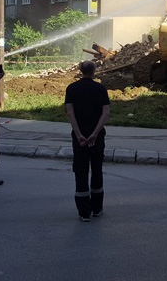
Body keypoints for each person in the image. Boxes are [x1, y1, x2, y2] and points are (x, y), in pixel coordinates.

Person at [65, 60, 110, 222]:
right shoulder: (101, 89)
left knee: (81, 171)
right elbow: (105, 114)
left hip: (79, 139)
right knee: (97, 170)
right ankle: (97, 209)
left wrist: (79, 135)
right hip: (97, 138)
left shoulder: (71, 89)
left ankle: (84, 212)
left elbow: (70, 114)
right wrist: (95, 134)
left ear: (80, 71)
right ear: (94, 71)